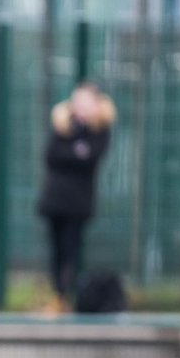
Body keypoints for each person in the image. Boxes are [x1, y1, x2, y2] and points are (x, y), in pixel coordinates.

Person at [36, 81, 115, 311]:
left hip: (78, 203)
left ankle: (67, 296)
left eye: (85, 102)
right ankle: (57, 296)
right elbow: (52, 155)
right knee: (56, 249)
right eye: (77, 101)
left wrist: (73, 151)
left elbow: (89, 158)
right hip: (55, 200)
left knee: (71, 249)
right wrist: (76, 151)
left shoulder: (100, 129)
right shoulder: (62, 125)